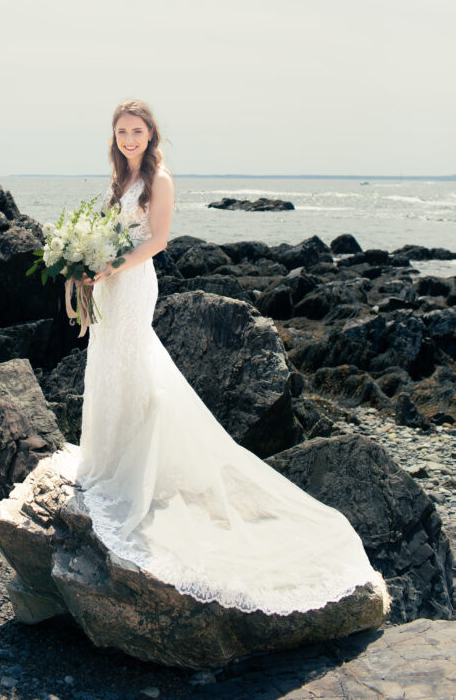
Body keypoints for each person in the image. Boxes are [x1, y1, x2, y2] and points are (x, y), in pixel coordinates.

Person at [52, 99, 390, 616]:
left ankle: (141, 467)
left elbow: (159, 240)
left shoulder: (159, 179)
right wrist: (86, 260)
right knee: (108, 362)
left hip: (133, 282)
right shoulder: (118, 179)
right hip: (108, 287)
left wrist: (110, 266)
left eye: (136, 131)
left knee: (134, 363)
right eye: (121, 131)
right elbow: (101, 231)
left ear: (150, 133)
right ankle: (108, 456)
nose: (128, 138)